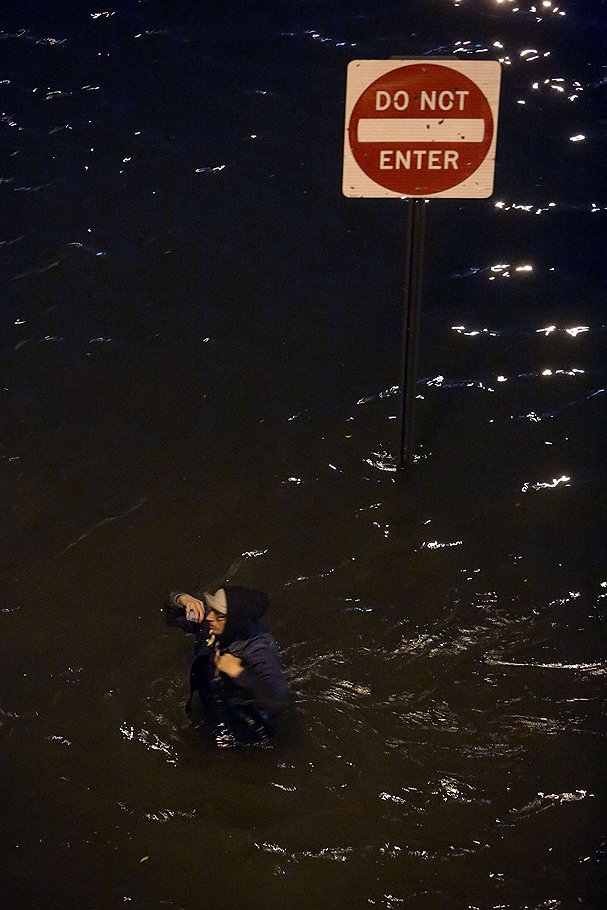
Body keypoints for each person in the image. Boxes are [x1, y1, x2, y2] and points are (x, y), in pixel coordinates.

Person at [165, 584, 291, 747]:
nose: (210, 617)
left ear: (233, 620)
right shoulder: (212, 622)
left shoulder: (258, 650)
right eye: (211, 609)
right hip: (210, 703)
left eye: (218, 614)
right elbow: (171, 616)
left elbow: (278, 700)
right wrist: (182, 599)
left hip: (245, 730)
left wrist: (239, 673)